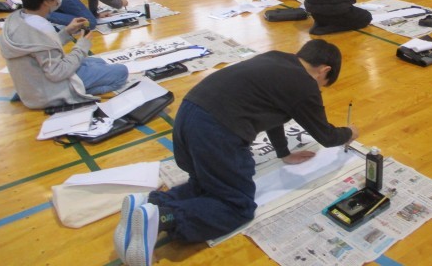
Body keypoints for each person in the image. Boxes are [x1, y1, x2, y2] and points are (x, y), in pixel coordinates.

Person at [112, 38, 357, 266]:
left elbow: (275, 116)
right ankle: (165, 217)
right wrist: (350, 133)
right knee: (237, 207)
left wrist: (283, 153)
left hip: (187, 116)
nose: (319, 89)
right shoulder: (304, 84)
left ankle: (148, 204)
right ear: (324, 70)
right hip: (216, 130)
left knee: (207, 185)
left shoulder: (276, 59)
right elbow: (325, 136)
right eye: (323, 85)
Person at [0, 0, 128, 110]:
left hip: (33, 84)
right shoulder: (42, 28)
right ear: (48, 1)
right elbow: (57, 72)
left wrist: (66, 32)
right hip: (48, 92)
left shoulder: (18, 20)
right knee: (121, 72)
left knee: (98, 62)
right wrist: (82, 46)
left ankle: (82, 85)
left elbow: (39, 48)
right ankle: (76, 93)